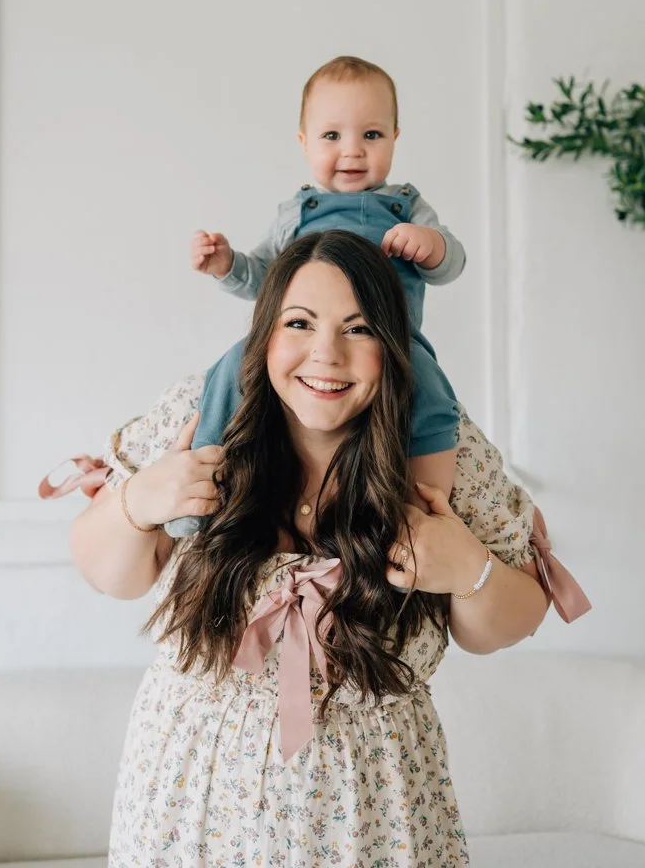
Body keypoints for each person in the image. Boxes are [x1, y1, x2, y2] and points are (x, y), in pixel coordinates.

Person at [69, 230, 566, 867]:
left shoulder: (439, 448)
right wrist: (140, 499)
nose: (325, 355)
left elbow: (513, 618)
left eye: (358, 329)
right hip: (189, 807)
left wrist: (468, 567)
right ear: (264, 333)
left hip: (374, 816)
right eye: (299, 322)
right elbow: (107, 572)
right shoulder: (201, 416)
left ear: (393, 345)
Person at [172, 56, 467, 538]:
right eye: (332, 136)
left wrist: (430, 247)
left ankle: (421, 503)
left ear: (395, 137)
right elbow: (263, 276)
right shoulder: (297, 213)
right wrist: (227, 265)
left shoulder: (407, 207)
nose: (352, 151)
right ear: (304, 142)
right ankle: (201, 478)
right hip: (304, 345)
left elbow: (453, 262)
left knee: (429, 385)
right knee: (233, 364)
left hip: (386, 343)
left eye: (371, 135)